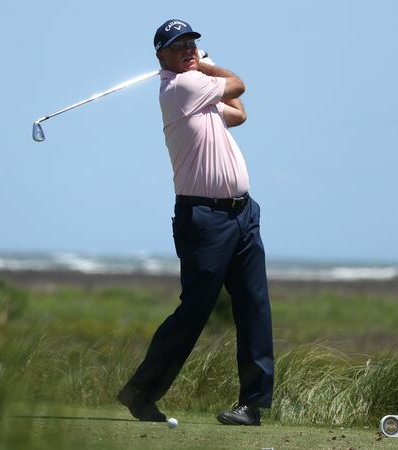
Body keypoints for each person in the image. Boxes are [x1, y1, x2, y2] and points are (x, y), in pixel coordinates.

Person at [117, 19, 274, 426]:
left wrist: (204, 64)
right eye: (178, 45)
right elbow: (239, 85)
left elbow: (238, 113)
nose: (188, 49)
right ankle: (141, 391)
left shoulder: (199, 94)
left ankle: (252, 405)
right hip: (204, 219)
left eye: (192, 43)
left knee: (255, 306)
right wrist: (206, 66)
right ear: (161, 57)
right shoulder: (181, 88)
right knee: (194, 312)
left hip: (243, 213)